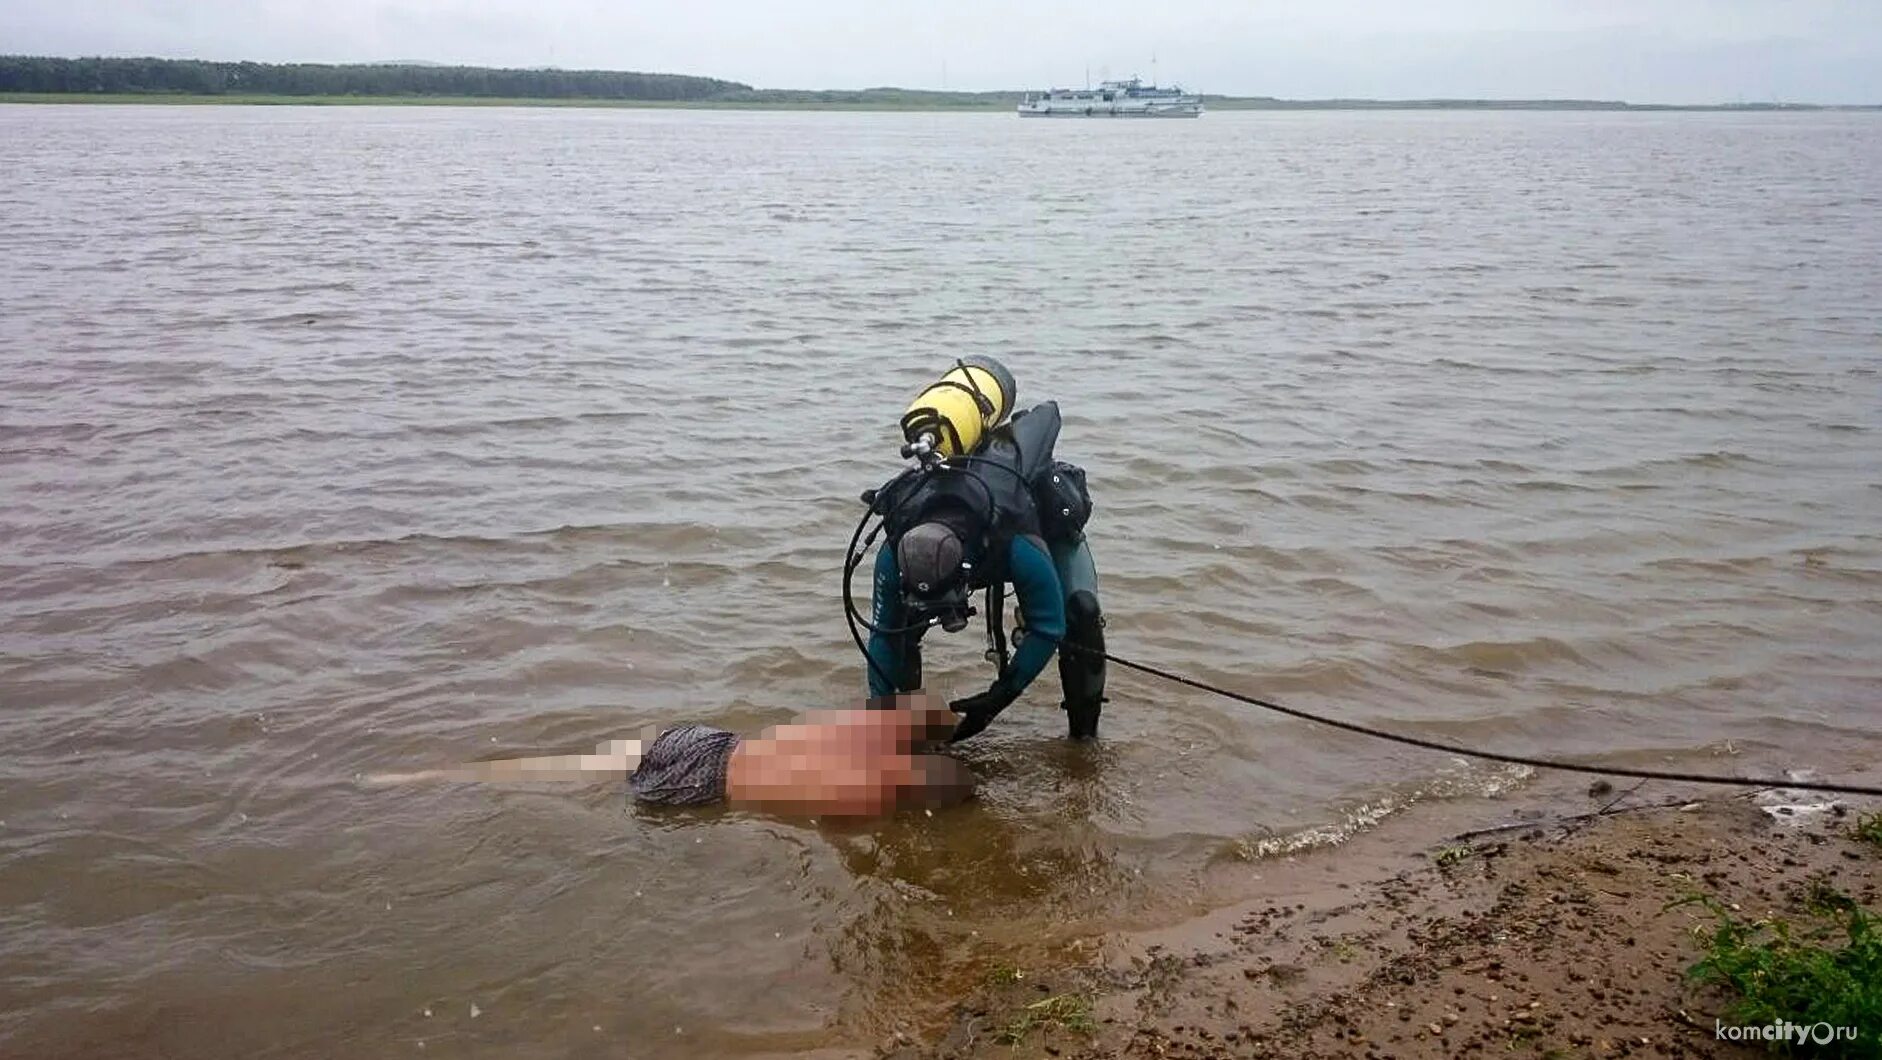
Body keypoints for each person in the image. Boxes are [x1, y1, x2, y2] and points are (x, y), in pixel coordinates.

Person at [864, 399, 1107, 742]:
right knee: (901, 629)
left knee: (1081, 612)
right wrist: (880, 722)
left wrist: (997, 698)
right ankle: (905, 731)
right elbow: (883, 633)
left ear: (965, 573)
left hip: (1030, 523)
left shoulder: (1018, 544)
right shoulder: (895, 548)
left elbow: (1048, 626)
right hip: (963, 527)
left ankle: (1084, 743)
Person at [367, 694, 974, 818]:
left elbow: (930, 710)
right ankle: (424, 781)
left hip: (703, 739)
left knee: (567, 770)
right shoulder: (867, 797)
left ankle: (417, 775)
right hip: (703, 788)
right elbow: (947, 785)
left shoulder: (868, 730)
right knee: (576, 794)